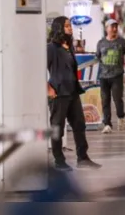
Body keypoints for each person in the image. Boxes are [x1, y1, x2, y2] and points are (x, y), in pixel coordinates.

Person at [47, 16, 102, 171]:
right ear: (58, 28)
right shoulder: (51, 48)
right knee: (57, 127)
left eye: (70, 25)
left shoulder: (68, 47)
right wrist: (49, 89)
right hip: (59, 93)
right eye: (66, 26)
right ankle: (59, 161)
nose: (70, 28)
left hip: (72, 92)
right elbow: (38, 68)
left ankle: (83, 158)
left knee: (79, 125)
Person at [97, 19, 125, 134]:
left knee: (117, 99)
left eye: (116, 26)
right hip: (103, 76)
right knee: (105, 100)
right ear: (106, 28)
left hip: (117, 75)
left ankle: (120, 117)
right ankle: (107, 124)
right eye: (112, 27)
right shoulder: (101, 43)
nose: (114, 29)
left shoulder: (122, 42)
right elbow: (97, 57)